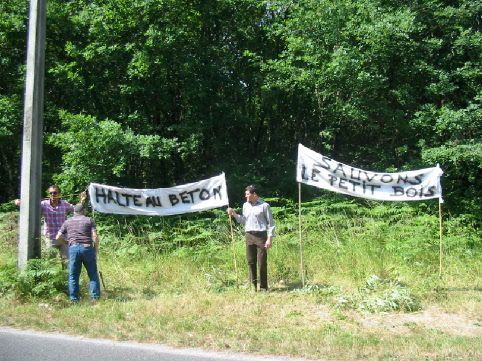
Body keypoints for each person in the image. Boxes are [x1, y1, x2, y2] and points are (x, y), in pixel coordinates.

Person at [15, 185, 86, 260]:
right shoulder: (43, 204)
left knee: (67, 262)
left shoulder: (64, 204)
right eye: (51, 193)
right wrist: (19, 202)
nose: (52, 195)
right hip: (50, 238)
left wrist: (82, 199)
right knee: (51, 262)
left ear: (59, 194)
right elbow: (30, 205)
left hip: (64, 238)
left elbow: (77, 209)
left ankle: (65, 272)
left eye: (55, 193)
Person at [227, 185, 275, 292]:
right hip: (249, 236)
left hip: (261, 236)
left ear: (254, 194)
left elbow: (271, 223)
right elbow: (244, 220)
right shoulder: (245, 205)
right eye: (246, 194)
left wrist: (269, 238)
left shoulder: (264, 206)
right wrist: (234, 214)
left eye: (247, 194)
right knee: (251, 261)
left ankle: (263, 288)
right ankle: (253, 286)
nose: (245, 196)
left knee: (262, 262)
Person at [56, 203, 101, 302]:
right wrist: (96, 249)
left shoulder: (67, 222)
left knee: (73, 275)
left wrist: (66, 242)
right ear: (84, 211)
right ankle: (94, 298)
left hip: (73, 248)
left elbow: (58, 237)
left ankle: (74, 299)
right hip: (87, 248)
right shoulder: (89, 220)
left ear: (74, 212)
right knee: (92, 273)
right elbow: (95, 236)